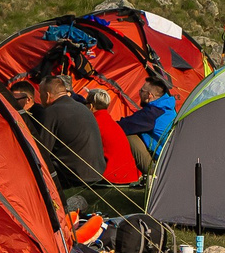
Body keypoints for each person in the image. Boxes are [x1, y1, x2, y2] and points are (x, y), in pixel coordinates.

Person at [30, 73, 104, 204]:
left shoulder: (52, 112)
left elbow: (42, 152)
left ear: (47, 95)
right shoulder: (82, 107)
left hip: (73, 176)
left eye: (40, 94)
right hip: (97, 172)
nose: (39, 98)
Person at [82, 85, 140, 186]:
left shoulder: (94, 123)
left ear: (90, 106)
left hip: (112, 175)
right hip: (130, 174)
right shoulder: (112, 123)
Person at [116, 83, 176, 175]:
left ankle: (151, 174)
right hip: (172, 158)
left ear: (149, 95)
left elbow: (123, 125)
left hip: (161, 163)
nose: (139, 93)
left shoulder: (151, 114)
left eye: (141, 91)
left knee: (129, 135)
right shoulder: (168, 108)